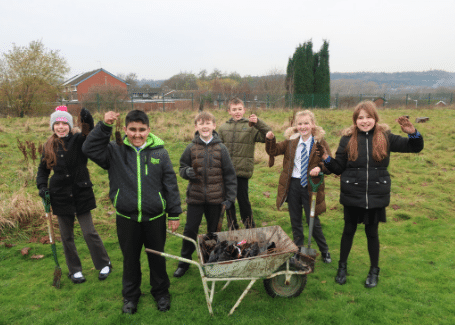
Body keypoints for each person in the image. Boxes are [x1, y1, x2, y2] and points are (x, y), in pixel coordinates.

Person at [82, 110, 182, 314]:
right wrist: (105, 126)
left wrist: (173, 213)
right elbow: (88, 148)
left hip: (154, 217)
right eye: (133, 130)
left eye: (142, 130)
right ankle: (130, 296)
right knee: (130, 259)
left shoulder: (160, 152)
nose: (137, 134)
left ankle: (161, 293)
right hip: (127, 218)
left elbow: (170, 184)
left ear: (149, 130)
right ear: (125, 130)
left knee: (157, 257)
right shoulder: (114, 150)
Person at [322, 101, 424, 288]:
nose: (365, 121)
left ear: (375, 118)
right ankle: (342, 268)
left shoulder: (386, 137)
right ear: (355, 120)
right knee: (348, 231)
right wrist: (327, 160)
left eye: (368, 117)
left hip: (376, 194)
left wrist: (413, 133)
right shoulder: (347, 139)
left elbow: (415, 147)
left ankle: (373, 271)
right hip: (352, 193)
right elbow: (339, 167)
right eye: (360, 118)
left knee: (372, 233)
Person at [36, 106, 112, 284]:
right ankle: (75, 270)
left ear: (70, 126)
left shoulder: (79, 140)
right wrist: (42, 187)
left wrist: (87, 121)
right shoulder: (48, 146)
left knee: (89, 232)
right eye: (57, 123)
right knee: (66, 236)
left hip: (81, 192)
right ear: (52, 126)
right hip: (59, 195)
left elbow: (89, 135)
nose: (61, 127)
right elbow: (42, 172)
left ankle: (104, 263)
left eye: (64, 123)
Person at [173, 111, 237, 278]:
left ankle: (210, 261)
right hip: (195, 198)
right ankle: (184, 263)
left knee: (212, 232)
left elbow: (230, 175)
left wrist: (230, 198)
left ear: (214, 126)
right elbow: (181, 168)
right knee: (190, 230)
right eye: (201, 123)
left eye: (208, 123)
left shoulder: (221, 148)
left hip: (216, 199)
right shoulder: (191, 148)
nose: (205, 126)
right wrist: (187, 172)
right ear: (196, 127)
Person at [265, 110, 332, 264]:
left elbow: (329, 164)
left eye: (306, 123)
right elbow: (273, 150)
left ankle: (325, 250)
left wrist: (320, 168)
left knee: (312, 221)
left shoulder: (319, 143)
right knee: (295, 220)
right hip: (294, 185)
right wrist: (270, 139)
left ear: (313, 125)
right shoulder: (291, 142)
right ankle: (298, 249)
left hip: (311, 186)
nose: (303, 126)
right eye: (300, 123)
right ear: (296, 125)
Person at [218, 97, 271, 229]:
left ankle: (249, 226)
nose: (237, 112)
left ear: (244, 110)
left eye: (240, 109)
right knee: (229, 201)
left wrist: (258, 122)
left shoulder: (251, 126)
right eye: (234, 109)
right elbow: (217, 149)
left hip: (242, 171)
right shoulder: (223, 128)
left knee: (243, 201)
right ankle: (232, 226)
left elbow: (268, 136)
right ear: (229, 111)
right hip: (226, 172)